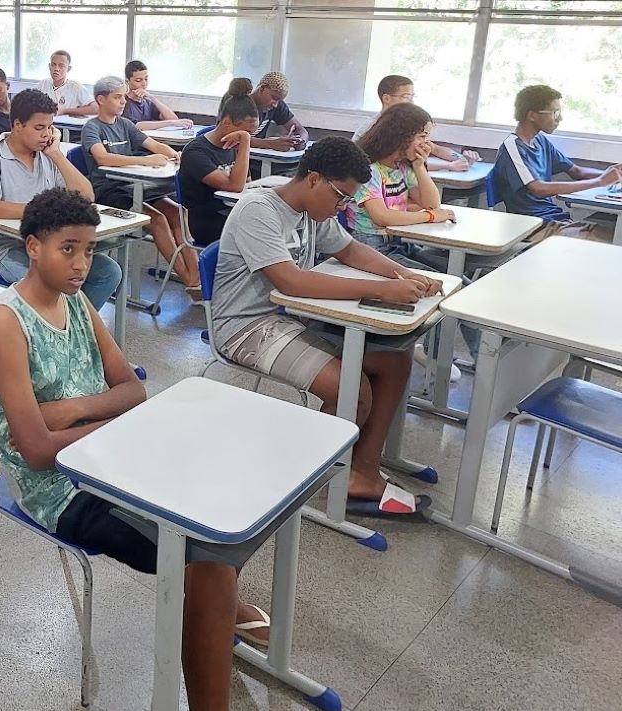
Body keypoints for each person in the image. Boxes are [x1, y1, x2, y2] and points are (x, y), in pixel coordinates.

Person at [0, 188, 268, 711]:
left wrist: (68, 411)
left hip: (113, 458)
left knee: (219, 503)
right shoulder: (6, 322)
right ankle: (213, 668)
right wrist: (103, 421)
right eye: (68, 249)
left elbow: (134, 390)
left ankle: (219, 610)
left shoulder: (77, 302)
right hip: (60, 491)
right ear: (32, 246)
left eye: (88, 250)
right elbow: (38, 453)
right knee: (201, 558)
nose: (82, 264)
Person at [211, 137, 438, 517]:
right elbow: (292, 283)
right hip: (245, 328)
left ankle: (362, 471)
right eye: (340, 197)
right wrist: (383, 290)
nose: (342, 207)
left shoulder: (313, 210)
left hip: (290, 319)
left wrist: (403, 273)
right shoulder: (259, 209)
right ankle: (299, 475)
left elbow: (350, 250)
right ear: (314, 179)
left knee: (395, 360)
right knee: (352, 388)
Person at [350, 103, 471, 381]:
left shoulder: (402, 166)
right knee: (446, 287)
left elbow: (431, 201)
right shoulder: (370, 169)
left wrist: (419, 165)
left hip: (398, 244)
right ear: (401, 136)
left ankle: (433, 352)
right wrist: (429, 216)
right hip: (370, 247)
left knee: (458, 282)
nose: (428, 144)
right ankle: (432, 355)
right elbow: (381, 216)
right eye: (423, 137)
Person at [0, 89, 119, 309]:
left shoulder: (47, 154)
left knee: (109, 272)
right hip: (6, 249)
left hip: (50, 245)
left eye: (50, 127)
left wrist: (56, 155)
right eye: (39, 128)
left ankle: (71, 330)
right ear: (17, 125)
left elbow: (86, 197)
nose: (46, 134)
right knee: (52, 284)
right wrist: (44, 211)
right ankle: (65, 328)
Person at [82, 76, 197, 299]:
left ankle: (195, 272)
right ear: (101, 100)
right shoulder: (92, 128)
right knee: (158, 220)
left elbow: (152, 144)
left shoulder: (125, 124)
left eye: (123, 97)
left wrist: (174, 154)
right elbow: (102, 158)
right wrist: (145, 161)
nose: (123, 101)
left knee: (178, 212)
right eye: (117, 97)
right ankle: (189, 280)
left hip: (135, 186)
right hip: (109, 190)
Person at [495, 84, 621, 240]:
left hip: (556, 220)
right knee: (614, 243)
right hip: (534, 226)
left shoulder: (540, 141)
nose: (559, 118)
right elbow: (538, 189)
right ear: (532, 115)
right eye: (554, 113)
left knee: (616, 238)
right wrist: (600, 182)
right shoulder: (512, 147)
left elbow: (576, 172)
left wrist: (613, 175)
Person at [177, 81, 257, 250]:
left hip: (232, 215)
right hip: (206, 223)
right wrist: (245, 141)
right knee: (260, 237)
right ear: (227, 123)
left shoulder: (233, 147)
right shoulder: (196, 152)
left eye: (250, 134)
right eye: (245, 132)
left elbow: (247, 182)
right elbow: (235, 186)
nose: (247, 137)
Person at [352, 75, 480, 172]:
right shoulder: (374, 128)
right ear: (386, 98)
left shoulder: (405, 124)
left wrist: (461, 158)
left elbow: (434, 148)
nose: (411, 102)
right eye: (406, 97)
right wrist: (449, 166)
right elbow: (407, 161)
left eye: (413, 97)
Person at [241, 73, 309, 151]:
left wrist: (300, 141)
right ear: (262, 89)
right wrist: (271, 144)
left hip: (259, 157)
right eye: (274, 98)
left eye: (279, 100)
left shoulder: (276, 105)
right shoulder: (239, 103)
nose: (275, 105)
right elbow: (235, 138)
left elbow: (301, 130)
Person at [122, 60, 193, 131]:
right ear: (127, 82)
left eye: (146, 79)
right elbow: (136, 126)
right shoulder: (123, 102)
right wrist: (171, 123)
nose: (144, 83)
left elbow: (173, 119)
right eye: (138, 80)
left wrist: (152, 98)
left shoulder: (148, 101)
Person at [35, 50, 96, 118]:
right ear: (49, 66)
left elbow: (96, 108)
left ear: (68, 68)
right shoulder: (43, 84)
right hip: (47, 124)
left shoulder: (75, 86)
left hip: (68, 126)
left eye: (61, 66)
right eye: (53, 65)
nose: (56, 69)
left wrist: (65, 111)